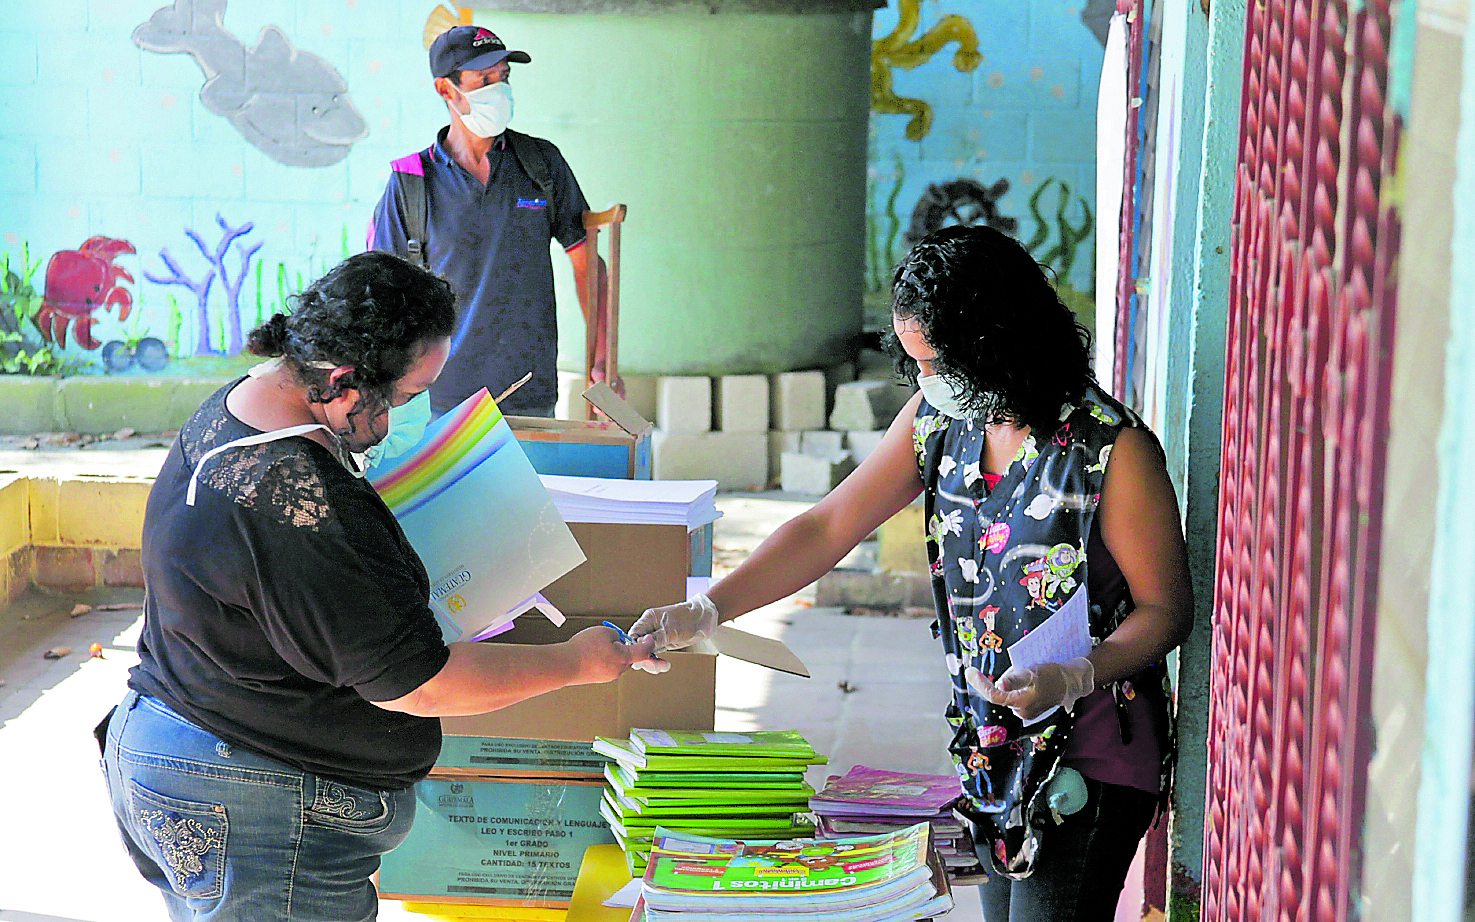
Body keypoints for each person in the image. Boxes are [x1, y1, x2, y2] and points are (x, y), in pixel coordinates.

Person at [628, 226, 1194, 921]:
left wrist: (1073, 675)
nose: (927, 381)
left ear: (997, 339)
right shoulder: (940, 421)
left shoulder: (1112, 449)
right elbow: (827, 525)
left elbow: (1166, 611)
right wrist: (707, 609)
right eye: (917, 363)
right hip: (993, 752)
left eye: (939, 363)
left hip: (1093, 757)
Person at [97, 251, 654, 922]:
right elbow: (419, 683)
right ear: (342, 382)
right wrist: (577, 662)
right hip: (252, 797)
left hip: (194, 754)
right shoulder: (297, 502)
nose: (405, 414)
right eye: (406, 396)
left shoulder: (246, 406)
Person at [368, 24, 613, 419]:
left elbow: (587, 261)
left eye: (504, 76)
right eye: (484, 79)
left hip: (530, 396)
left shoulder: (541, 163)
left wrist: (601, 360)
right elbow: (379, 295)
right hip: (436, 405)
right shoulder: (410, 184)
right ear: (446, 90)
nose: (499, 89)